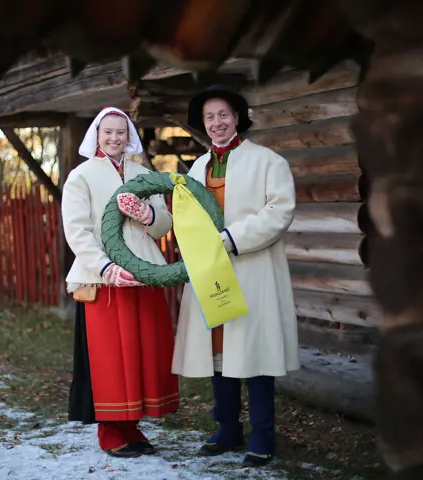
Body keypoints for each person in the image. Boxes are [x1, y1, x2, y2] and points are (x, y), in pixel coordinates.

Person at [171, 85, 300, 467]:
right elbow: (186, 217)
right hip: (212, 274)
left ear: (238, 117)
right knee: (219, 354)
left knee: (255, 354)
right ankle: (227, 429)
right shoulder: (196, 168)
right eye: (209, 117)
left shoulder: (268, 161)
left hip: (253, 270)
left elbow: (280, 211)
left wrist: (232, 239)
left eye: (223, 115)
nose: (216, 123)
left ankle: (263, 436)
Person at [62, 106, 179, 458]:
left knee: (142, 353)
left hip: (143, 274)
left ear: (129, 136)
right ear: (96, 134)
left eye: (121, 132)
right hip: (106, 281)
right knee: (111, 357)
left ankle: (131, 425)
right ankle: (111, 431)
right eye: (107, 131)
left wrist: (149, 215)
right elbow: (77, 231)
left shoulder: (143, 174)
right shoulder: (81, 176)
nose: (114, 138)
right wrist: (104, 267)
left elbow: (163, 226)